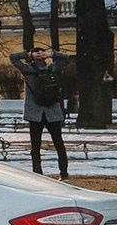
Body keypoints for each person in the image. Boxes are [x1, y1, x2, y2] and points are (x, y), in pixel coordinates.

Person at [12, 46, 72, 178]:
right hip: (53, 111)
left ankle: (37, 174)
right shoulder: (53, 69)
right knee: (59, 144)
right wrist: (51, 54)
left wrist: (28, 54)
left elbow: (13, 57)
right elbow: (65, 58)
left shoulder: (28, 70)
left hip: (35, 113)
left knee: (35, 146)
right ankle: (64, 174)